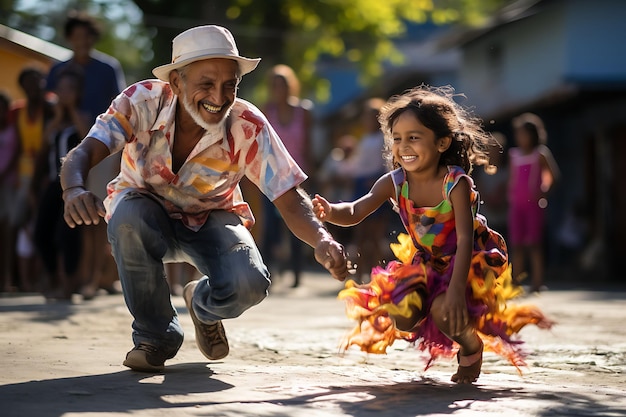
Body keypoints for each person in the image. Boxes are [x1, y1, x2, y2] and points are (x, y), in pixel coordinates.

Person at [59, 25, 348, 372]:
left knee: (250, 284)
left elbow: (287, 194)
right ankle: (155, 338)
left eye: (230, 84)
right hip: (143, 215)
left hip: (212, 217)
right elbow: (83, 152)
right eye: (206, 84)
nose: (219, 96)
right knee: (127, 219)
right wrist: (74, 189)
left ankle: (201, 304)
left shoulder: (247, 123)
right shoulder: (142, 101)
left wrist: (322, 239)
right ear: (177, 83)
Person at [312, 85, 553, 384]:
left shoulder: (455, 183)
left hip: (466, 263)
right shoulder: (394, 181)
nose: (404, 147)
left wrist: (453, 292)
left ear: (441, 143)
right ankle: (429, 311)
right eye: (397, 139)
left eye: (414, 137)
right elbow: (355, 211)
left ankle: (470, 346)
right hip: (425, 262)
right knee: (402, 311)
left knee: (445, 311)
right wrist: (330, 211)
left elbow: (465, 239)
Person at [46, 10, 126, 300]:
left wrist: (118, 156)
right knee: (71, 219)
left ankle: (97, 277)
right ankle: (76, 278)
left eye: (87, 35)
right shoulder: (58, 71)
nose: (82, 41)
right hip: (67, 151)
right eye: (77, 36)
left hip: (102, 151)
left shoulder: (107, 68)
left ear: (93, 38)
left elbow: (121, 111)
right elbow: (51, 113)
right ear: (69, 38)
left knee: (99, 216)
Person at [32, 67, 92, 300]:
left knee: (68, 233)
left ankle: (69, 284)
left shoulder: (84, 118)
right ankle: (53, 278)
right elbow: (45, 145)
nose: (65, 93)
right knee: (41, 232)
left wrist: (72, 111)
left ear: (78, 92)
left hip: (74, 183)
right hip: (51, 181)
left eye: (71, 89)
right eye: (62, 89)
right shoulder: (53, 120)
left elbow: (87, 138)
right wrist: (58, 116)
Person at [260, 64, 313, 288]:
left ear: (290, 86)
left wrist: (310, 175)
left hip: (296, 176)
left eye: (282, 83)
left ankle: (297, 274)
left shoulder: (304, 112)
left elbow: (308, 145)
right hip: (270, 177)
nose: (278, 88)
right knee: (270, 227)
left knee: (298, 223)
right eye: (275, 84)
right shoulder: (266, 111)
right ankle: (267, 274)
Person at [10, 67, 56, 293]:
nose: (34, 85)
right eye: (29, 82)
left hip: (46, 175)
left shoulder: (51, 107)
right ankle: (18, 279)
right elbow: (17, 146)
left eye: (38, 80)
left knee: (43, 225)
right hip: (25, 176)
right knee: (18, 224)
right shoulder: (18, 111)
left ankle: (44, 278)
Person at [507, 113, 559, 293]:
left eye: (524, 134)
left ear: (534, 134)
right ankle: (516, 281)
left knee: (534, 244)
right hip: (517, 206)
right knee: (517, 244)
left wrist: (543, 191)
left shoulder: (540, 154)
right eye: (518, 134)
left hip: (534, 206)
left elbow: (553, 176)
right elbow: (513, 179)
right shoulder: (514, 155)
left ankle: (537, 282)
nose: (520, 138)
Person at [0, 92, 19, 293]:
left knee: (8, 232)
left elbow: (16, 153)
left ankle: (7, 280)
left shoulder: (14, 129)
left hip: (9, 184)